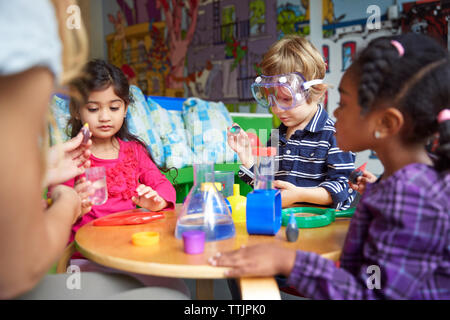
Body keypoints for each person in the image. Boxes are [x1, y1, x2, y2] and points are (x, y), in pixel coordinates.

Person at [211, 33, 450, 299]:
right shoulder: (405, 186)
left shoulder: (411, 195)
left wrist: (290, 260)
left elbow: (373, 292)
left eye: (343, 104)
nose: (334, 113)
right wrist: (248, 161)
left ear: (386, 124)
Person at [0, 0, 188, 300]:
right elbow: (52, 222)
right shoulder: (73, 159)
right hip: (88, 258)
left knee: (177, 287)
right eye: (93, 108)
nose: (104, 117)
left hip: (133, 249)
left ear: (125, 109)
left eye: (114, 107)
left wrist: (155, 201)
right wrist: (71, 203)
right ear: (76, 111)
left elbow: (165, 187)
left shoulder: (134, 152)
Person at [228, 35, 356, 210]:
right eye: (271, 99)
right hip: (281, 225)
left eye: (286, 99)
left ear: (317, 91)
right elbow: (265, 189)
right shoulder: (276, 136)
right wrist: (247, 157)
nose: (277, 109)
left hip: (319, 229)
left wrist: (299, 194)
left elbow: (344, 188)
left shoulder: (336, 135)